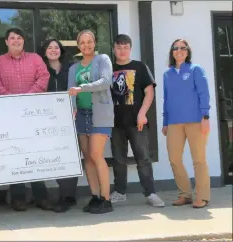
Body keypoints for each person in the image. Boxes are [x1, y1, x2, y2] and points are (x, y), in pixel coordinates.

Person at [0, 28, 52, 212]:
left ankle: (41, 196)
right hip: (9, 116)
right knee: (14, 155)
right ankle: (18, 197)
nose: (16, 41)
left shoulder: (35, 59)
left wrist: (26, 97)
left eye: (19, 38)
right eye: (12, 38)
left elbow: (44, 77)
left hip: (33, 115)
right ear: (7, 42)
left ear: (23, 41)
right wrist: (12, 100)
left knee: (35, 156)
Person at [109, 34, 165, 207]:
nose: (122, 51)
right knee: (118, 159)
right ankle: (119, 192)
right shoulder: (108, 68)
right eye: (119, 47)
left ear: (130, 49)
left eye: (125, 47)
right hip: (115, 123)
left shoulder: (140, 67)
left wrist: (142, 113)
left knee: (143, 159)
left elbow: (149, 93)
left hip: (137, 122)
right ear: (114, 49)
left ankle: (151, 193)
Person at [68, 29, 114, 214]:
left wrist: (82, 88)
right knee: (87, 158)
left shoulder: (103, 60)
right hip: (81, 115)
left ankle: (106, 199)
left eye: (89, 41)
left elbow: (105, 81)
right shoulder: (73, 68)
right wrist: (72, 107)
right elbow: (70, 90)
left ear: (94, 43)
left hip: (100, 113)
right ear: (78, 45)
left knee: (96, 155)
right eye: (82, 42)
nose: (86, 45)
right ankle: (95, 196)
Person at [162, 39, 211, 208]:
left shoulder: (195, 70)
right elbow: (166, 99)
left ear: (188, 51)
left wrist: (205, 117)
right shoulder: (167, 75)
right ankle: (185, 194)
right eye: (175, 48)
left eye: (183, 48)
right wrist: (165, 121)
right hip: (174, 122)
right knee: (174, 158)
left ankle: (202, 196)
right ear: (172, 52)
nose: (179, 50)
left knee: (199, 159)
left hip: (196, 121)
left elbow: (204, 93)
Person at [39, 38, 77, 212]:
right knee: (53, 157)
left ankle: (67, 197)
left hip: (69, 118)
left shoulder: (71, 68)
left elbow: (79, 88)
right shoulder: (40, 68)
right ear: (45, 51)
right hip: (46, 120)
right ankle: (63, 194)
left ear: (61, 50)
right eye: (49, 47)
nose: (53, 50)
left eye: (56, 47)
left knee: (68, 157)